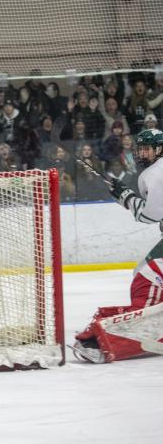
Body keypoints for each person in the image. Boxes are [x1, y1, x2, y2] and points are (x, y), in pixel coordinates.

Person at [72, 128, 163, 363]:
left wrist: (125, 197)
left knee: (147, 276)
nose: (143, 153)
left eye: (147, 148)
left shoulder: (155, 173)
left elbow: (149, 216)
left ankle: (140, 330)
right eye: (140, 148)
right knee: (144, 270)